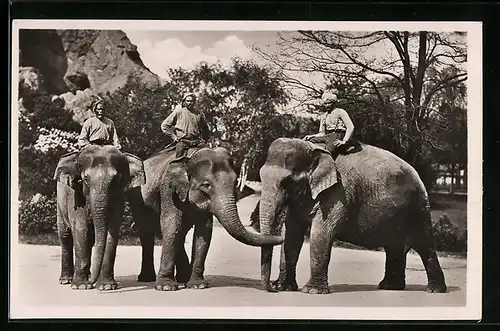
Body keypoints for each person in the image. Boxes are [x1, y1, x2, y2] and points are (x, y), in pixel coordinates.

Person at [304, 92, 355, 157]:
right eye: (325, 103)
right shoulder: (324, 115)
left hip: (337, 135)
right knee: (307, 142)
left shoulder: (340, 111)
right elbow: (322, 133)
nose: (327, 105)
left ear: (334, 103)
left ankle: (329, 166)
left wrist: (344, 141)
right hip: (327, 136)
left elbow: (350, 126)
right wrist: (312, 136)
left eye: (329, 103)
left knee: (327, 153)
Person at [160, 93, 210, 158]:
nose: (189, 103)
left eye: (191, 101)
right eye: (188, 101)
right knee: (179, 157)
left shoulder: (199, 113)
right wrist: (174, 136)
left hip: (196, 141)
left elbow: (205, 128)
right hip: (183, 141)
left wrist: (204, 139)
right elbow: (164, 125)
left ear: (194, 102)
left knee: (209, 152)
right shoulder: (179, 111)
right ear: (184, 101)